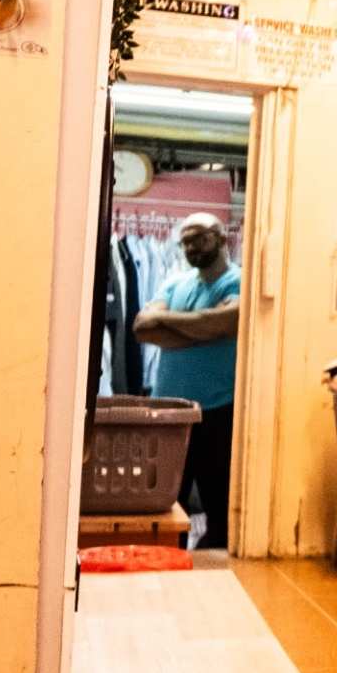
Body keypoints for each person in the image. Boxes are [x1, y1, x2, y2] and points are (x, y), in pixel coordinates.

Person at [132, 213, 243, 546]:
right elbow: (141, 327)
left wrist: (170, 323)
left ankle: (215, 568)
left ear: (222, 238)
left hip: (217, 408)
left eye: (201, 238)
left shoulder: (238, 282)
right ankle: (167, 557)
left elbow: (225, 322)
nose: (193, 247)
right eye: (186, 241)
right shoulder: (175, 282)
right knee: (166, 496)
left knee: (217, 496)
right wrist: (203, 330)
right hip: (170, 412)